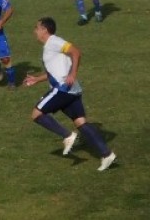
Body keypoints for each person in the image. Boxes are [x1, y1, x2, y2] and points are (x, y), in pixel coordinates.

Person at [24, 17, 117, 171]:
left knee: (36, 114)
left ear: (44, 30)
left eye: (37, 27)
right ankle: (106, 154)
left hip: (63, 88)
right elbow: (56, 70)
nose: (35, 31)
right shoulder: (49, 46)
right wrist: (37, 79)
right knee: (81, 123)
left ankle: (67, 136)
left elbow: (76, 52)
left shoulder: (54, 41)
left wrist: (73, 73)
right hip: (72, 89)